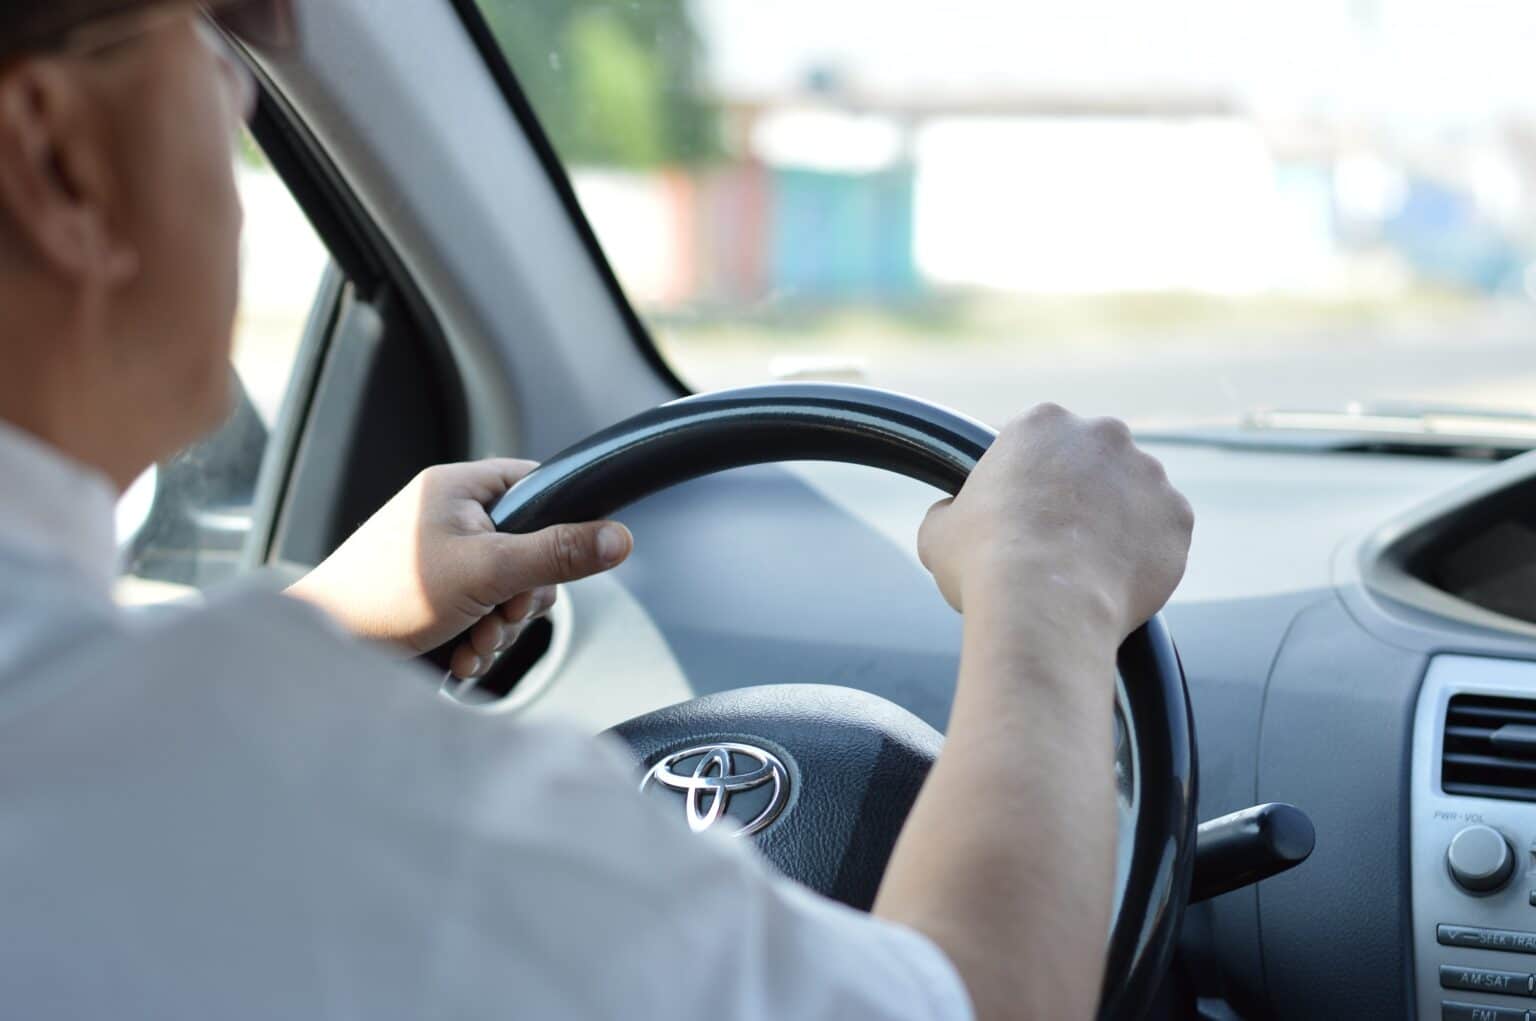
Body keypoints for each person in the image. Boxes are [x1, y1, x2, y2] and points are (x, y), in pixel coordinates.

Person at [0, 2, 1194, 1019]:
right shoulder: (309, 780)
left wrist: (319, 633)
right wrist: (1053, 590)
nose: (242, 104)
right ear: (54, 159)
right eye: (216, 42)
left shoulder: (150, 754)